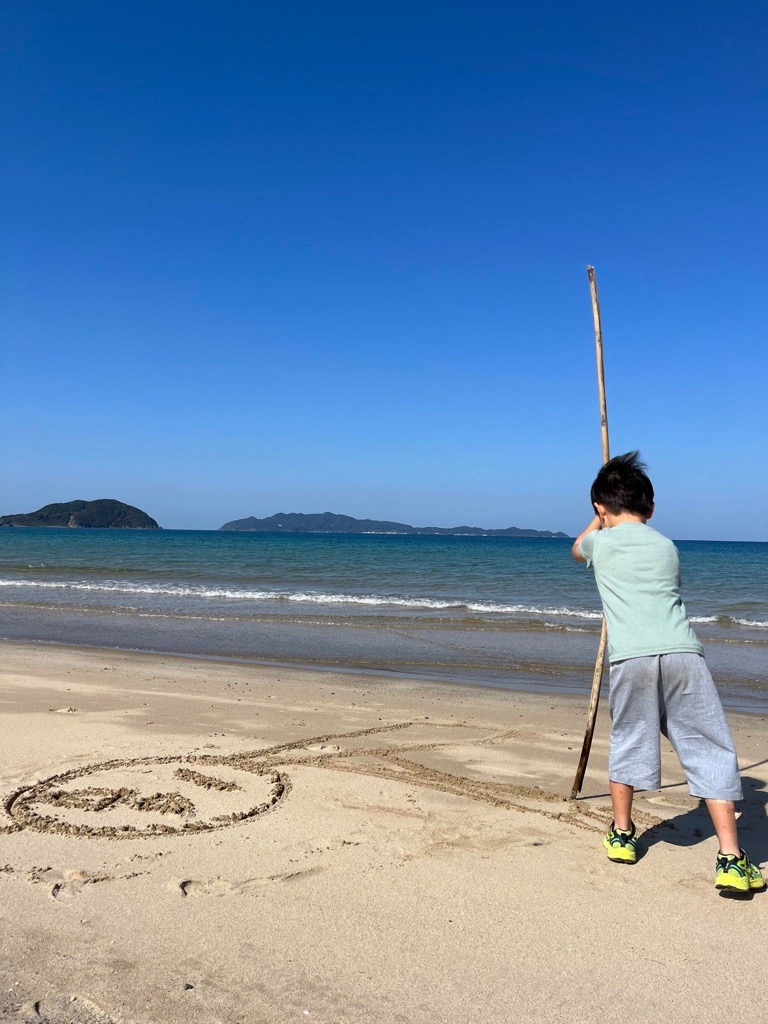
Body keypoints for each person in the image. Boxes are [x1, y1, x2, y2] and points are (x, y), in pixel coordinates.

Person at [572, 451, 764, 893]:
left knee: (630, 737)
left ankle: (622, 834)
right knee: (709, 746)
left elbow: (576, 550)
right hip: (683, 654)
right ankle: (731, 857)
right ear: (651, 508)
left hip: (632, 658)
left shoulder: (599, 541)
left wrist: (596, 520)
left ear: (601, 507)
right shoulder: (666, 545)